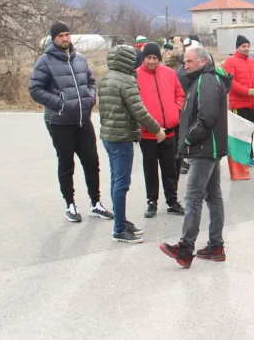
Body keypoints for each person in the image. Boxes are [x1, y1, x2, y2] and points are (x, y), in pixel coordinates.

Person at [29, 21, 112, 222]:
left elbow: (91, 82)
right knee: (66, 164)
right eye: (61, 36)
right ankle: (70, 205)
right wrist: (60, 104)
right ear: (53, 38)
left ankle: (95, 203)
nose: (65, 39)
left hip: (83, 120)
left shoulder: (80, 59)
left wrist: (91, 98)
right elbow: (35, 90)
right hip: (59, 122)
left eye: (67, 34)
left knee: (92, 162)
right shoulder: (44, 61)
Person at [159, 46, 232, 268]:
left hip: (203, 148)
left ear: (202, 62)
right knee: (213, 195)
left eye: (189, 61)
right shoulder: (203, 79)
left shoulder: (206, 81)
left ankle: (185, 248)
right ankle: (216, 245)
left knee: (193, 197)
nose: (185, 66)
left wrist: (189, 139)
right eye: (184, 62)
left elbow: (206, 117)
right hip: (209, 147)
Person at [99, 45, 166, 244]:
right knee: (122, 184)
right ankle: (119, 229)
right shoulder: (127, 81)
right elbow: (139, 111)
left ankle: (121, 220)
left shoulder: (107, 78)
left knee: (115, 181)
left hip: (108, 137)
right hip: (121, 138)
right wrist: (157, 130)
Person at [136, 42, 186, 218]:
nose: (152, 61)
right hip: (148, 133)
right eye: (149, 58)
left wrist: (176, 109)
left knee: (170, 168)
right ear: (144, 59)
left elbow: (180, 95)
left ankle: (172, 201)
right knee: (150, 168)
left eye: (155, 58)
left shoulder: (170, 74)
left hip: (170, 130)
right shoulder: (136, 76)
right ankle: (152, 201)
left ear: (159, 58)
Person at [222, 35, 254, 168]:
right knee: (240, 132)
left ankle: (248, 157)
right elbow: (230, 82)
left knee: (250, 131)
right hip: (238, 103)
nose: (246, 49)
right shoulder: (230, 62)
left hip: (252, 103)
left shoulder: (253, 63)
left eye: (248, 46)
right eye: (243, 46)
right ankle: (239, 158)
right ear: (237, 47)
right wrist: (246, 91)